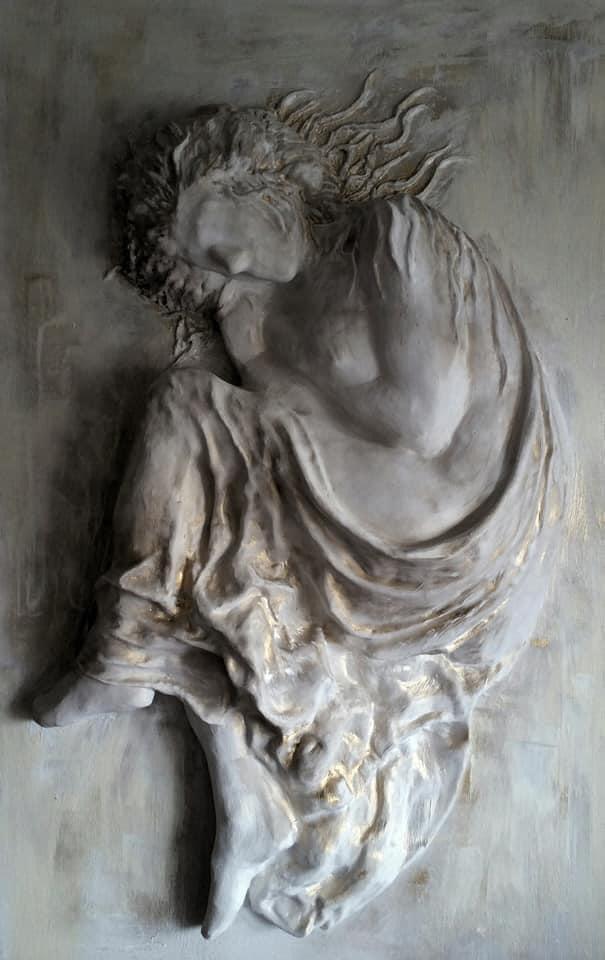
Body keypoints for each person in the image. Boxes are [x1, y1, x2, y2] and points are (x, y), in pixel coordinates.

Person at [33, 89, 561, 938]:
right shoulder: (258, 314)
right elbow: (287, 416)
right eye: (208, 259)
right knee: (217, 558)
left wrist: (277, 395)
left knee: (183, 412)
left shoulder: (393, 235)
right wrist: (259, 355)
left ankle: (122, 652)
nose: (231, 259)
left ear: (262, 179)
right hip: (364, 503)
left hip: (442, 521)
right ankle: (239, 786)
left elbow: (422, 417)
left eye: (219, 229)